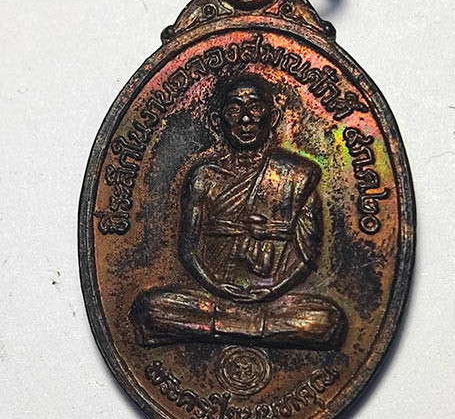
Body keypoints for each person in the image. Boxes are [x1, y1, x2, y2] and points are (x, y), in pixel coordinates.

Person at [130, 76, 347, 349]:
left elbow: (308, 256)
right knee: (149, 308)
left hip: (274, 301)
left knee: (328, 320)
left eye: (255, 108)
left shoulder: (297, 175)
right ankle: (252, 329)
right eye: (234, 110)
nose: (245, 119)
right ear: (216, 121)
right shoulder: (204, 177)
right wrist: (217, 287)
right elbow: (187, 251)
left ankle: (221, 328)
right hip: (211, 297)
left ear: (272, 117)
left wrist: (271, 291)